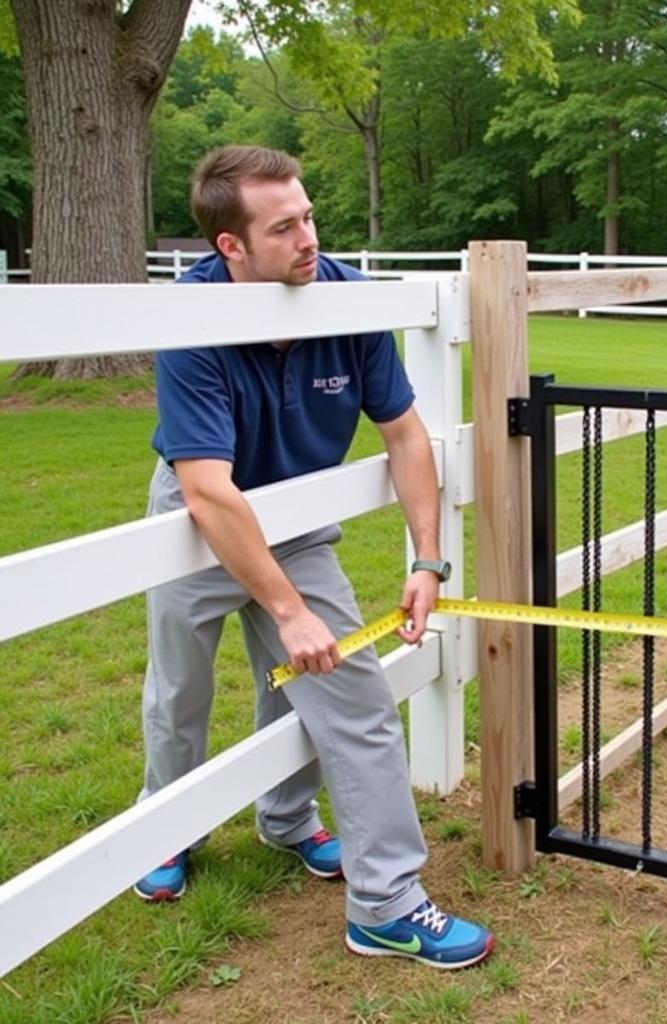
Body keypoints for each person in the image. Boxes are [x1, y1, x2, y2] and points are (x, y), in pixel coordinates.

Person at [133, 144, 494, 970]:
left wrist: (429, 561)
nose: (309, 238)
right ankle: (167, 827)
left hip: (297, 520)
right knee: (182, 690)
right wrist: (287, 612)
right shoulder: (187, 320)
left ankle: (374, 895)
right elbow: (209, 492)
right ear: (230, 246)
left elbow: (403, 434)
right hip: (200, 517)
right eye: (283, 225)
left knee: (350, 693)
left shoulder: (344, 297)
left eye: (308, 214)